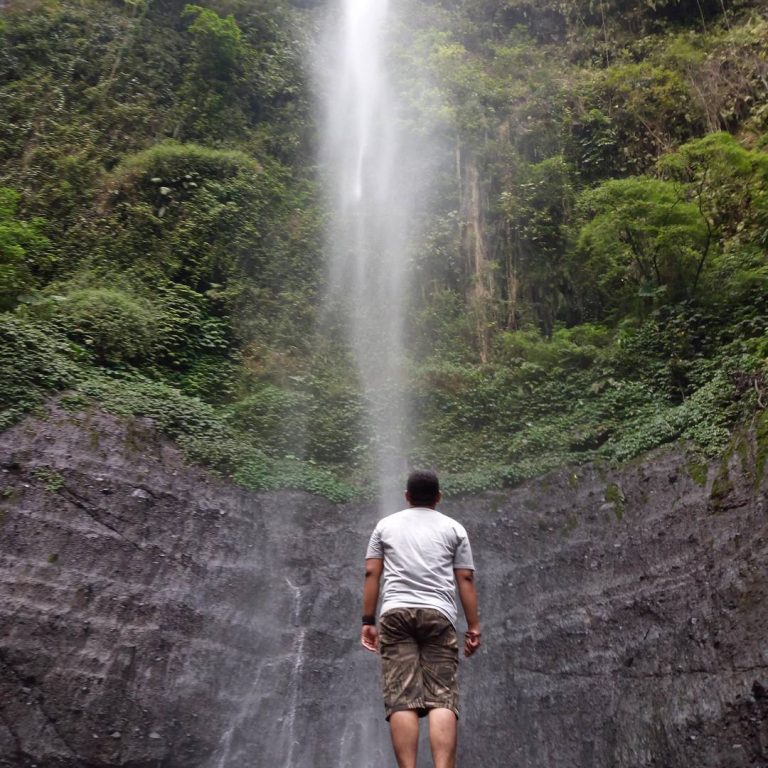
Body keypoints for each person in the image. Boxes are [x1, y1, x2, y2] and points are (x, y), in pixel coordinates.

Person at [360, 470, 481, 768]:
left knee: (402, 698)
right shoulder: (454, 529)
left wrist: (367, 620)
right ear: (438, 497)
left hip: (395, 614)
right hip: (438, 614)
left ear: (407, 496)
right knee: (442, 698)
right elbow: (465, 577)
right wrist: (473, 626)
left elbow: (372, 573)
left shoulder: (385, 526)